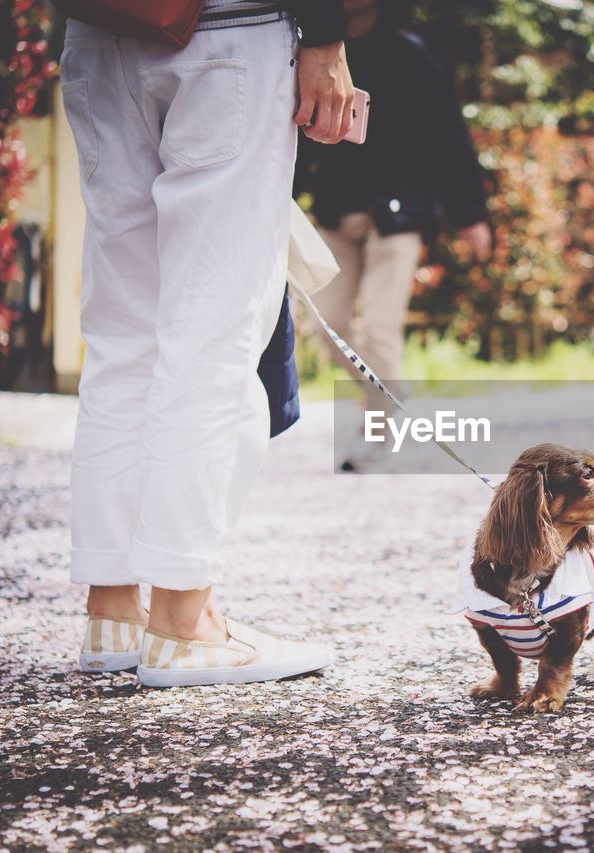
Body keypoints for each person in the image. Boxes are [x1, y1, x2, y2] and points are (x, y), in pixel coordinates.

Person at [63, 0, 356, 687]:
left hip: (99, 30)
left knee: (119, 335)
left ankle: (112, 612)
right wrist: (326, 33)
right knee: (211, 331)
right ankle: (183, 621)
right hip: (230, 30)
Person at [293, 0, 491, 470]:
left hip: (399, 215)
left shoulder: (412, 55)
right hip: (336, 211)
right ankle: (391, 397)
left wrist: (471, 216)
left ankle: (375, 434)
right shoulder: (308, 51)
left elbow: (449, 139)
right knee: (328, 325)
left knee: (380, 330)